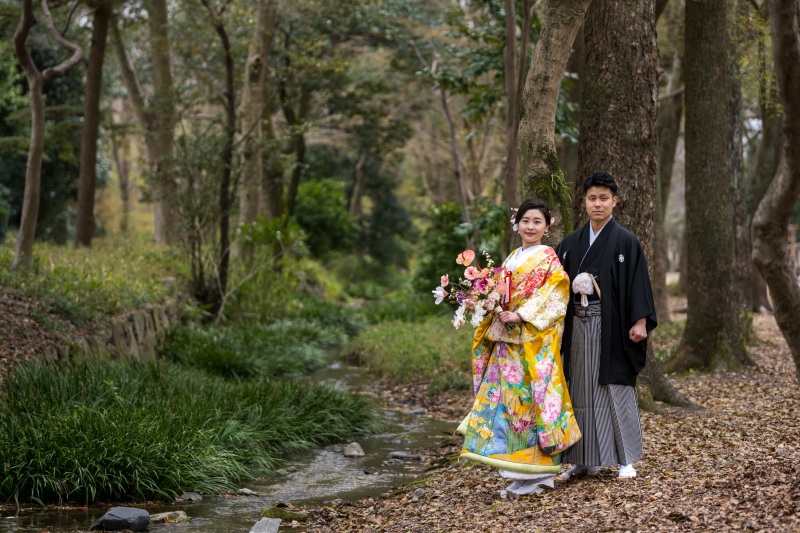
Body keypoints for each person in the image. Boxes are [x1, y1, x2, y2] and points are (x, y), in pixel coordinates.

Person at [458, 199, 582, 497]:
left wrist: (521, 314)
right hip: (507, 340)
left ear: (547, 226)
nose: (530, 226)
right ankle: (517, 472)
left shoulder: (549, 259)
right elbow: (500, 291)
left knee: (530, 403)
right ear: (518, 224)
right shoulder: (514, 255)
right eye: (525, 221)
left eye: (537, 221)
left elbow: (557, 292)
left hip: (531, 342)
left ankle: (540, 474)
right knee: (508, 404)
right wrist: (488, 303)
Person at [554, 172, 657, 480]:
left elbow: (639, 283)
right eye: (591, 198)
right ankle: (584, 460)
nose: (597, 204)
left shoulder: (626, 241)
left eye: (603, 198)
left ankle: (626, 460)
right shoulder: (570, 243)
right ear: (584, 202)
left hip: (612, 327)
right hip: (576, 326)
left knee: (615, 388)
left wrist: (640, 321)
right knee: (580, 390)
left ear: (615, 201)